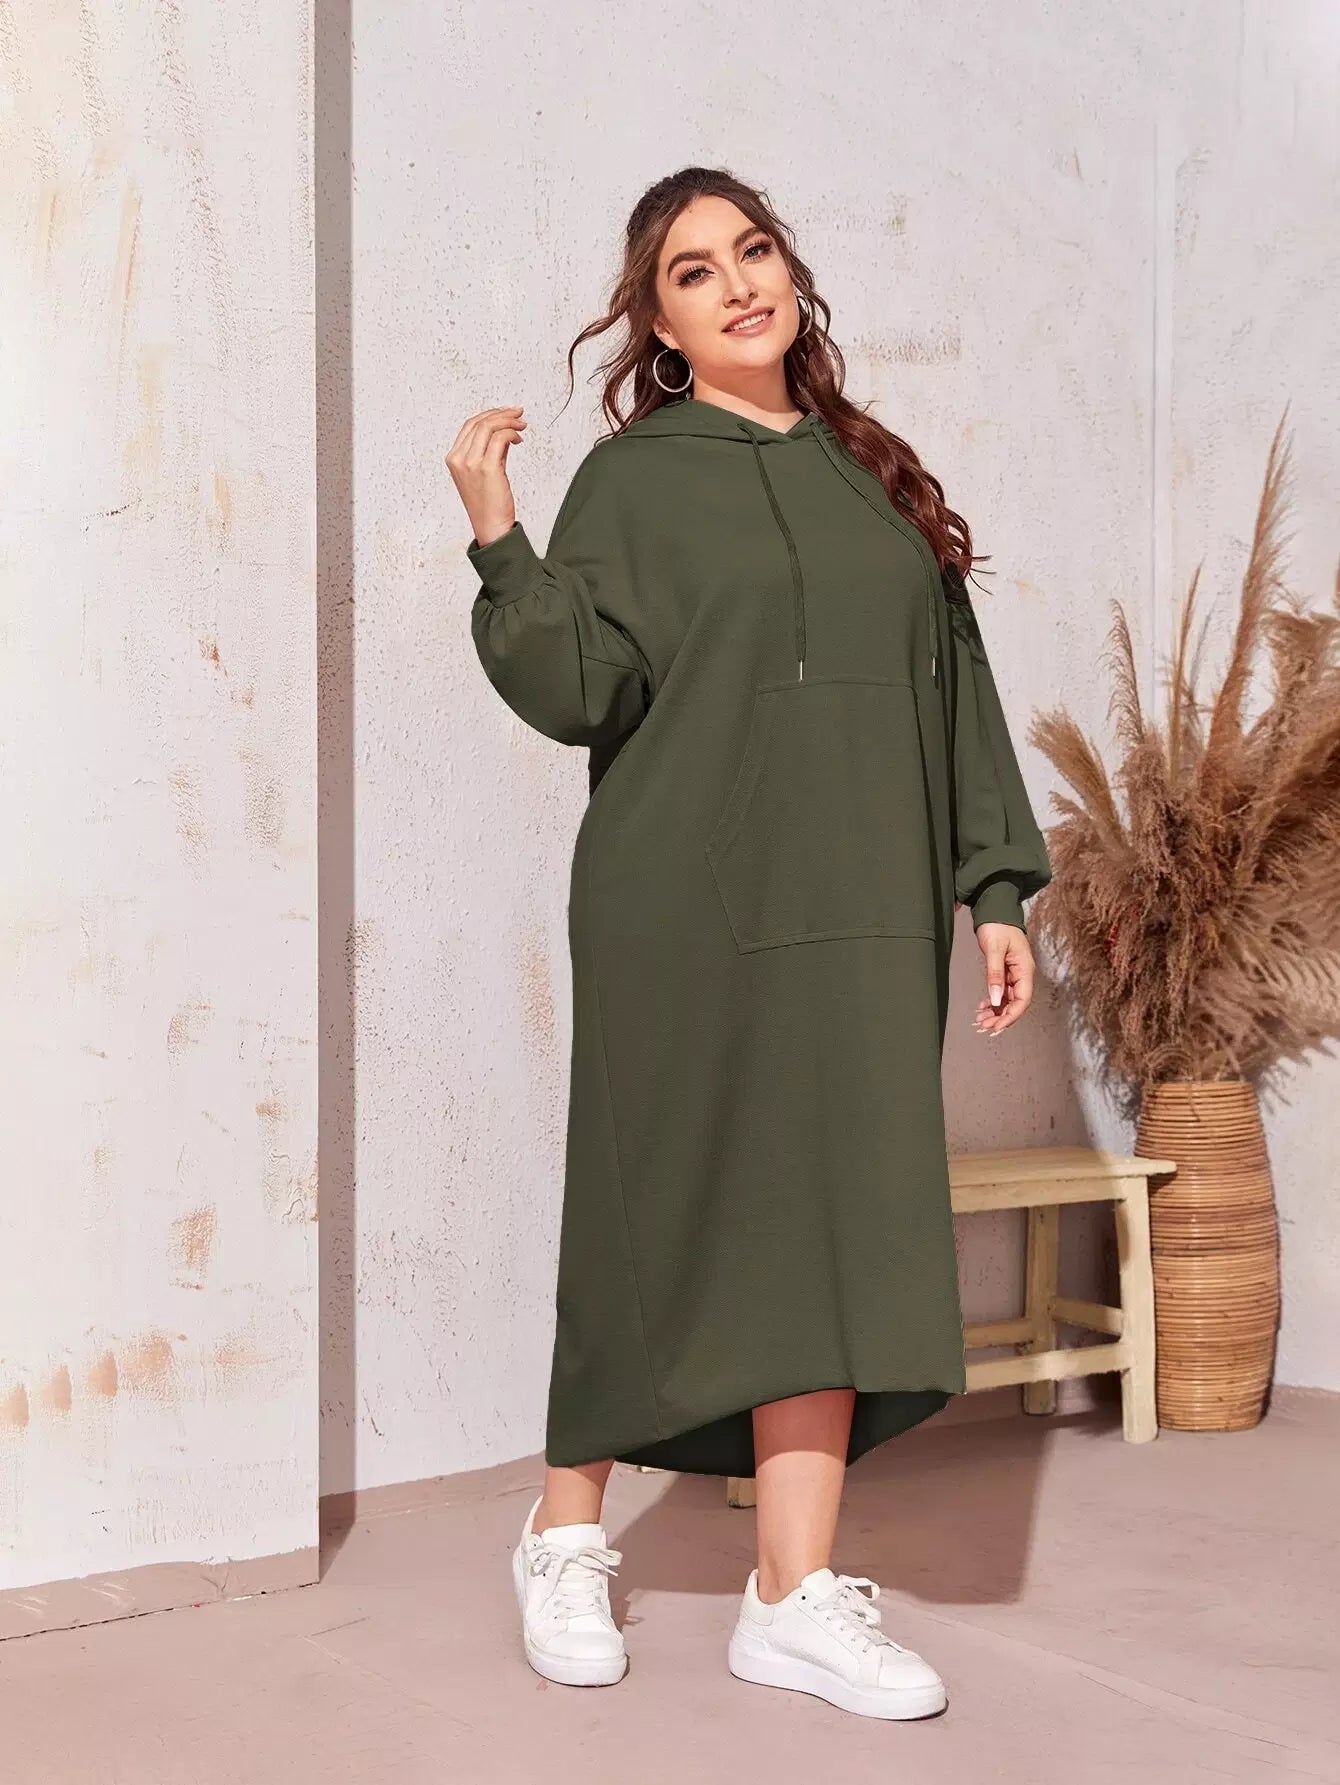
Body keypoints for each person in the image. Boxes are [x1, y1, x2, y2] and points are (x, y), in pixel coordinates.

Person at [447, 165, 1052, 1722]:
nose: (738, 285)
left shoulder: (872, 478)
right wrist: (501, 536)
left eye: (755, 250)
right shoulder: (635, 482)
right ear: (659, 324)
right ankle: (563, 1536)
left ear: (791, 272)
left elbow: (956, 688)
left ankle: (791, 1591)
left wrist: (995, 887)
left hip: (865, 908)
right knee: (656, 1202)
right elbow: (579, 687)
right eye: (695, 271)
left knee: (835, 1218)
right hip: (681, 909)